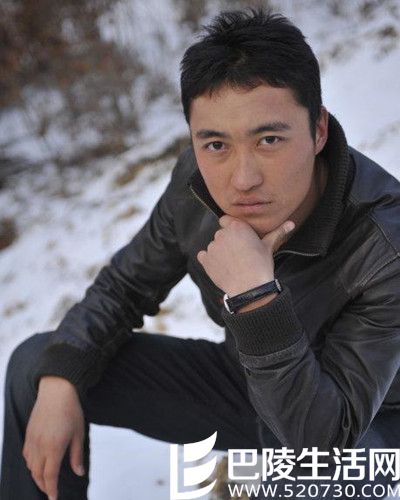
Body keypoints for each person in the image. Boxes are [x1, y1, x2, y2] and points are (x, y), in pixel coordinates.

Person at [1, 7, 400, 500]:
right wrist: (62, 377)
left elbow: (323, 440)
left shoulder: (384, 244)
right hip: (249, 386)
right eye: (215, 144)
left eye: (269, 139)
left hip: (361, 425)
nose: (242, 178)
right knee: (41, 365)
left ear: (318, 130)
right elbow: (126, 286)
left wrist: (257, 299)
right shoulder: (196, 187)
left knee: (315, 476)